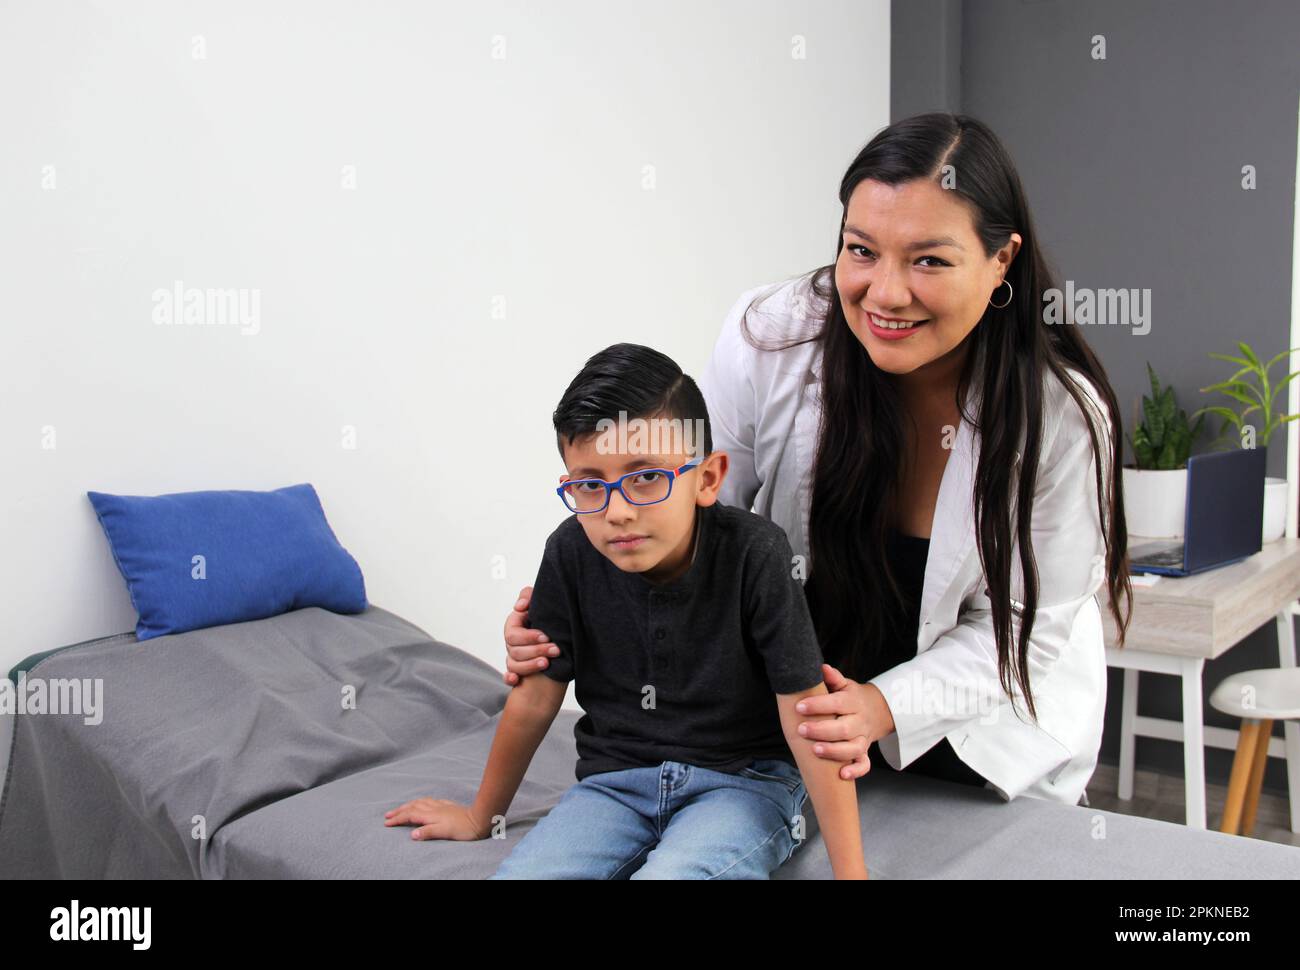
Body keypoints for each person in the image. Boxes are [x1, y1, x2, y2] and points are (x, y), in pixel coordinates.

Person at [504, 113, 1133, 808]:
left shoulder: (1062, 420)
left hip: (981, 736)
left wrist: (880, 706)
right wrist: (566, 615)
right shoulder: (771, 336)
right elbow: (685, 518)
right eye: (861, 250)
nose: (886, 293)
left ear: (1001, 261)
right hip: (795, 722)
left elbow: (1021, 631)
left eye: (929, 260)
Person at [385, 344, 867, 879]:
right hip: (613, 784)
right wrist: (481, 815)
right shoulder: (570, 551)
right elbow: (534, 698)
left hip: (745, 783)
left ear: (707, 479)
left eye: (646, 478)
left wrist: (852, 875)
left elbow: (808, 720)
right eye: (590, 484)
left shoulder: (757, 554)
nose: (617, 512)